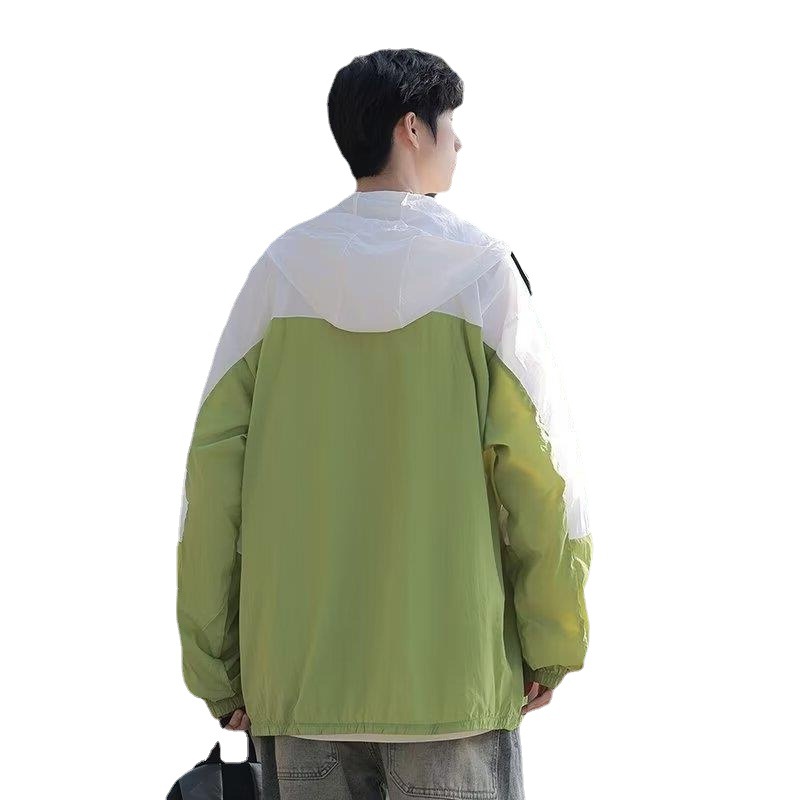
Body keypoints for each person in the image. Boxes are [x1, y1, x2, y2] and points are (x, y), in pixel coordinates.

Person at [176, 47, 592, 799]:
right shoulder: (483, 275)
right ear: (412, 128)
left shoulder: (278, 276)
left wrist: (217, 667)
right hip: (452, 685)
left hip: (300, 686)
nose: (459, 142)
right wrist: (552, 638)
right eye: (449, 124)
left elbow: (211, 485)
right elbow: (543, 477)